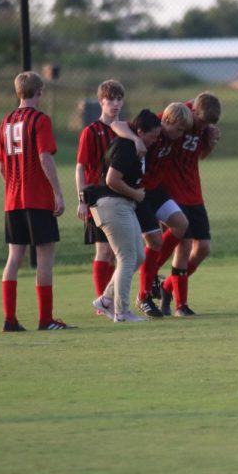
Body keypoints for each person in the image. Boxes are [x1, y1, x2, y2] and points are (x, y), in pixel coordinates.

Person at [0, 71, 70, 331]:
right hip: (37, 199)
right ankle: (45, 320)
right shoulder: (40, 120)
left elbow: (2, 165)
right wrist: (58, 193)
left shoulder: (5, 122)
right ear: (39, 91)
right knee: (45, 257)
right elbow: (44, 157)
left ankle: (10, 319)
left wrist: (13, 188)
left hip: (12, 200)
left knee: (14, 258)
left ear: (18, 92)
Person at [111, 102, 192, 317]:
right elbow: (117, 124)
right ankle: (144, 295)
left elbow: (197, 105)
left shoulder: (174, 128)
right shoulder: (153, 125)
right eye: (179, 130)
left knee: (181, 224)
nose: (182, 134)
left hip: (156, 189)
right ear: (166, 122)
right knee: (154, 241)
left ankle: (152, 270)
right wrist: (136, 139)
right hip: (140, 190)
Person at [87, 109, 162, 323]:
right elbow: (112, 179)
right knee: (127, 257)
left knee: (137, 256)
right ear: (140, 131)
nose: (155, 141)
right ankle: (121, 312)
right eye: (152, 137)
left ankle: (105, 300)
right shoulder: (127, 146)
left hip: (122, 205)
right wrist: (136, 194)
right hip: (112, 204)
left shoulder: (133, 142)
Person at [75, 80, 144, 311]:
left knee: (123, 253)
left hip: (121, 196)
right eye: (110, 99)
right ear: (101, 101)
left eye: (119, 99)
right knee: (103, 250)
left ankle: (109, 299)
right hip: (97, 196)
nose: (115, 103)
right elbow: (81, 167)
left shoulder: (125, 130)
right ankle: (101, 301)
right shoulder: (91, 131)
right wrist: (82, 199)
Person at [158, 92, 222, 317]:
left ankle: (166, 287)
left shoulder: (204, 126)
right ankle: (180, 305)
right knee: (183, 246)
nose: (202, 126)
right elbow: (152, 128)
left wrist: (211, 142)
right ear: (194, 111)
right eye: (201, 121)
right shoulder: (177, 114)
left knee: (203, 247)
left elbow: (200, 155)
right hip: (172, 190)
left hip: (194, 191)